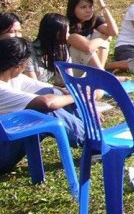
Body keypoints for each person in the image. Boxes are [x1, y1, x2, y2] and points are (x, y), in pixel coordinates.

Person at [0, 37, 85, 175]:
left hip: (6, 138)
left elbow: (53, 91)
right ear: (19, 65)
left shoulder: (11, 76)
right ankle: (94, 140)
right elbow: (47, 103)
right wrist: (77, 96)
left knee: (54, 95)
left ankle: (91, 130)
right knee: (47, 111)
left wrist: (76, 98)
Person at [65, 0, 134, 73]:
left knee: (100, 34)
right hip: (72, 68)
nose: (88, 10)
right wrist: (104, 37)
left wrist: (103, 6)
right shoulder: (67, 25)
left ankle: (100, 72)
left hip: (90, 65)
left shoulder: (93, 20)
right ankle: (102, 73)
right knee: (98, 38)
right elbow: (88, 48)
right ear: (73, 9)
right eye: (83, 7)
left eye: (90, 6)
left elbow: (113, 32)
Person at [25, 13, 70, 85]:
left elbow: (68, 81)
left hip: (56, 92)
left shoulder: (62, 51)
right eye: (67, 32)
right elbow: (33, 85)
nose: (68, 35)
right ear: (57, 33)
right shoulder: (29, 53)